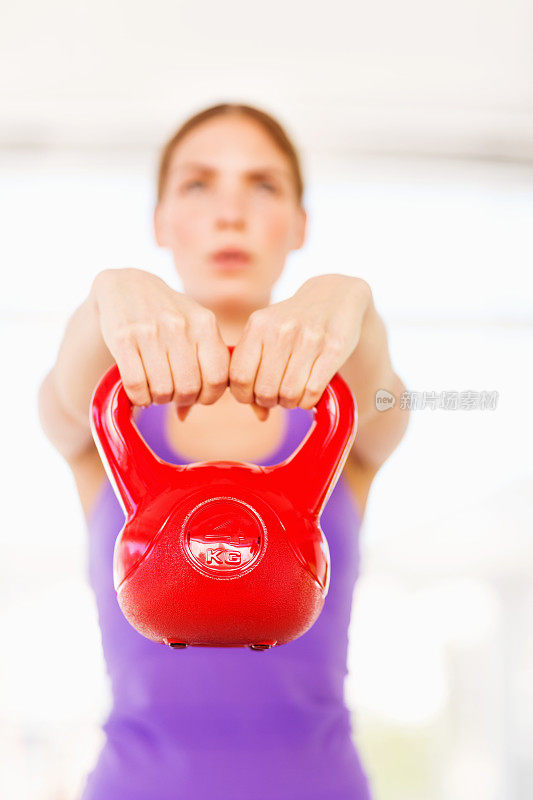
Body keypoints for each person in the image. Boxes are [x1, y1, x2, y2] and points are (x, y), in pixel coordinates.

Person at [38, 102, 409, 800]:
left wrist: (352, 302)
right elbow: (63, 397)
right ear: (160, 222)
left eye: (263, 185)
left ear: (299, 225)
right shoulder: (108, 417)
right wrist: (106, 296)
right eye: (197, 184)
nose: (229, 212)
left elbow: (385, 397)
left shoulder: (346, 421)